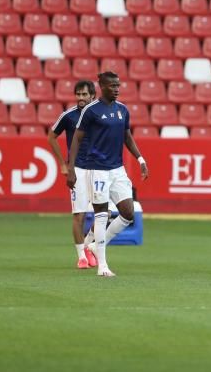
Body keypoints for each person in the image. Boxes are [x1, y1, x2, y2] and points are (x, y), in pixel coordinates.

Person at [66, 72, 149, 278]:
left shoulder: (122, 110)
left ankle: (94, 247)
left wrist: (140, 159)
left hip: (117, 169)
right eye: (112, 85)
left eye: (118, 85)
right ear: (101, 86)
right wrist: (71, 168)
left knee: (128, 213)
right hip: (97, 169)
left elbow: (127, 137)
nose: (117, 89)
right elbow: (76, 139)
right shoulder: (91, 111)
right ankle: (103, 265)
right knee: (101, 215)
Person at [47, 80, 98, 268]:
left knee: (105, 213)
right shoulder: (68, 116)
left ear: (92, 95)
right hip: (77, 171)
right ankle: (82, 257)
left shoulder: (100, 114)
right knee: (79, 214)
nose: (81, 98)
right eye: (78, 94)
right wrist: (63, 164)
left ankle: (87, 246)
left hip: (99, 169)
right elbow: (51, 136)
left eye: (84, 94)